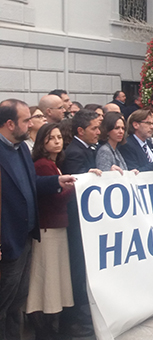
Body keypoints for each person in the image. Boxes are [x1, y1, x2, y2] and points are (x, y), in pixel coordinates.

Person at [0, 100, 76, 340]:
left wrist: (55, 182)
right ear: (10, 124)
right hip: (6, 240)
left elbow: (30, 183)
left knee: (16, 303)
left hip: (26, 237)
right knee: (3, 304)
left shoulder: (21, 148)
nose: (31, 123)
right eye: (25, 120)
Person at [27, 124, 77, 339]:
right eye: (51, 138)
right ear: (42, 142)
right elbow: (53, 201)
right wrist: (72, 189)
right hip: (48, 228)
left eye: (59, 137)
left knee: (53, 280)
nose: (57, 141)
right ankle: (44, 328)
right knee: (46, 280)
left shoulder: (53, 164)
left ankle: (48, 326)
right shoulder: (43, 165)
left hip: (55, 227)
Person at [58, 109, 104, 336]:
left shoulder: (88, 148)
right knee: (78, 268)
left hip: (87, 221)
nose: (98, 132)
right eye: (94, 128)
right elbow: (78, 185)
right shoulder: (75, 152)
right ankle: (78, 319)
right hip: (77, 222)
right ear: (80, 131)